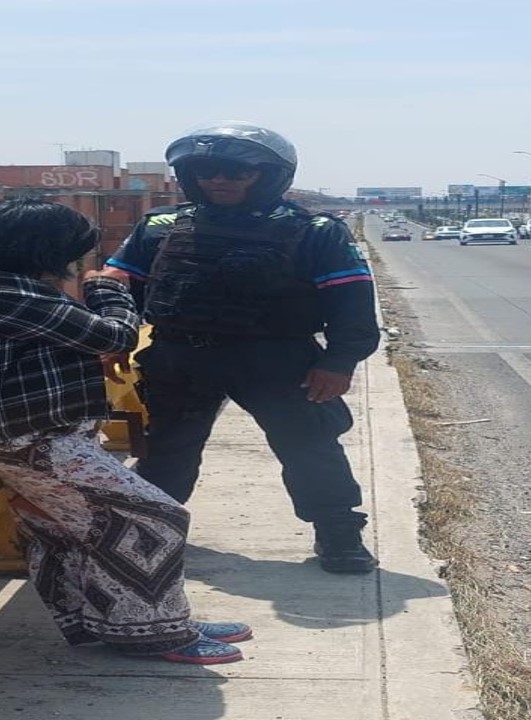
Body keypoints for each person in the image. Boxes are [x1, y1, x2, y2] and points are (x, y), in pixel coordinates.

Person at [0, 197, 251, 664]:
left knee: (74, 526)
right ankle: (154, 633)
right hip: (15, 434)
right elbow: (110, 336)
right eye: (72, 252)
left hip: (16, 429)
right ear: (34, 249)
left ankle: (129, 619)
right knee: (153, 518)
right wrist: (109, 291)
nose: (75, 262)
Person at [100, 123, 381, 574]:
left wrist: (341, 360)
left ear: (267, 174)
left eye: (237, 170)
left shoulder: (315, 232)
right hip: (181, 357)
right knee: (168, 449)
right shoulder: (160, 226)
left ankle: (339, 532)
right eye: (207, 169)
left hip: (276, 358)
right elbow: (117, 285)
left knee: (309, 445)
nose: (220, 179)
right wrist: (112, 338)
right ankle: (153, 533)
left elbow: (351, 302)